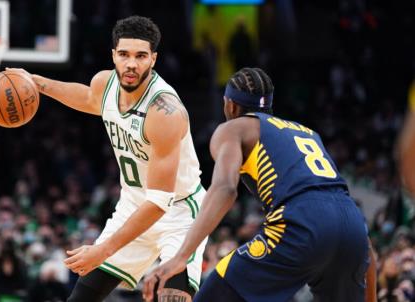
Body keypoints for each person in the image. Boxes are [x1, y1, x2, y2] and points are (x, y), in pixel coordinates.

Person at [8, 15, 207, 302]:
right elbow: (88, 98)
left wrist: (103, 249)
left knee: (173, 297)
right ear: (113, 55)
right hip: (134, 203)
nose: (131, 64)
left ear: (153, 59)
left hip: (177, 212)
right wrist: (36, 83)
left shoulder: (165, 112)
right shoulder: (105, 84)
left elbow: (159, 202)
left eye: (140, 56)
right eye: (124, 54)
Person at [143, 67, 372, 302]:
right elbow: (359, 242)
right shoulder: (308, 133)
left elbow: (225, 189)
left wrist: (181, 256)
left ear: (229, 105)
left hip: (303, 219)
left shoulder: (233, 128)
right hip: (352, 223)